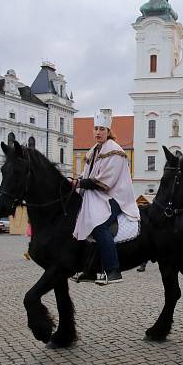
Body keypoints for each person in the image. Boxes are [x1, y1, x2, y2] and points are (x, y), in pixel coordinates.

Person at [72, 109, 139, 285]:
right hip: (98, 196)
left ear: (108, 131)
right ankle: (90, 270)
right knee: (83, 221)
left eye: (102, 129)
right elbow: (86, 174)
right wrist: (77, 180)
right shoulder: (94, 151)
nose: (98, 132)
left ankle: (113, 270)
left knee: (99, 225)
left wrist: (80, 183)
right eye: (96, 128)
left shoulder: (115, 151)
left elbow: (106, 181)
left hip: (116, 196)